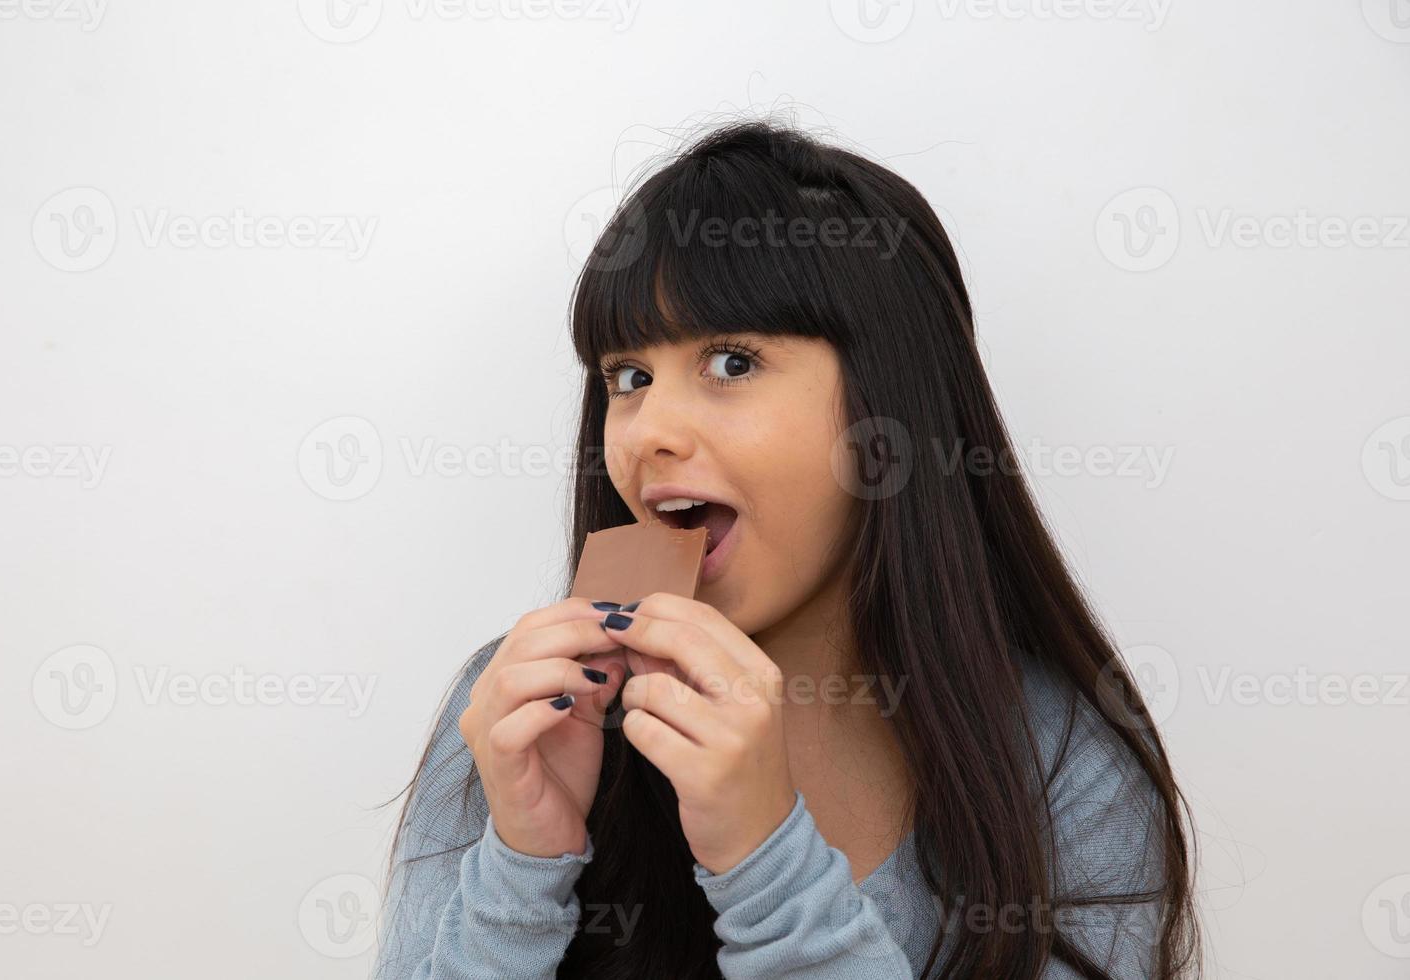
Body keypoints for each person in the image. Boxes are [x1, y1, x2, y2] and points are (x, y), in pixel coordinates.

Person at [371, 119, 1202, 979]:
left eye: (731, 362)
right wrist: (522, 866)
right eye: (628, 377)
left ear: (889, 411)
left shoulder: (1062, 764)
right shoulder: (517, 710)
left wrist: (766, 862)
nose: (647, 431)